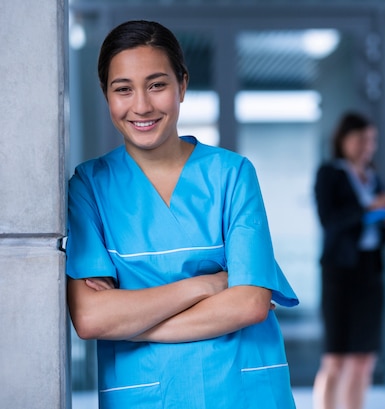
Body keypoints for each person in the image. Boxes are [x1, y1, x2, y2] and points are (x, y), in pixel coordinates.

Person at [65, 20, 299, 409]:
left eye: (157, 85)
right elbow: (91, 318)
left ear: (182, 86)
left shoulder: (232, 174)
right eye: (123, 89)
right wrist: (205, 286)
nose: (141, 105)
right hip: (146, 396)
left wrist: (133, 322)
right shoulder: (89, 186)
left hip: (242, 393)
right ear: (107, 95)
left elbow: (249, 303)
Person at [312, 112, 385, 409]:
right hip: (339, 273)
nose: (367, 146)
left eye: (371, 139)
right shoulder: (330, 174)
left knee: (363, 359)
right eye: (360, 138)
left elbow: (384, 235)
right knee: (336, 358)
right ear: (343, 140)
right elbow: (329, 221)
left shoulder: (375, 178)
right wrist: (367, 209)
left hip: (370, 272)